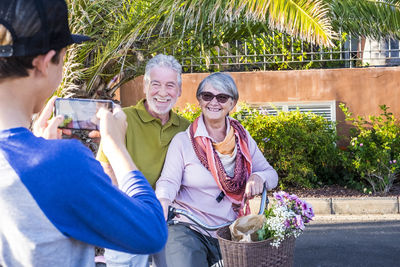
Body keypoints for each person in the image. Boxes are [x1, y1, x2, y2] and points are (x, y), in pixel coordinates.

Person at [0, 1, 167, 266]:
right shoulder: (61, 163)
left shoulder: (43, 163)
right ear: (44, 63)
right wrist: (115, 146)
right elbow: (152, 232)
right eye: (63, 58)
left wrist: (36, 147)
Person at [155, 72, 279, 267]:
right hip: (189, 226)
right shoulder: (183, 141)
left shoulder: (242, 138)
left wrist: (258, 176)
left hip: (231, 230)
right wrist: (162, 201)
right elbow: (168, 181)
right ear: (199, 100)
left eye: (222, 97)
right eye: (207, 96)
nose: (214, 102)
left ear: (232, 103)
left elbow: (271, 175)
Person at [96, 54, 190, 266]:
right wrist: (130, 209)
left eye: (170, 85)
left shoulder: (186, 128)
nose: (163, 93)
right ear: (146, 86)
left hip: (170, 223)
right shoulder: (122, 118)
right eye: (156, 84)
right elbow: (106, 167)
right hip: (127, 218)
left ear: (180, 91)